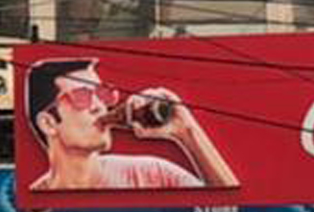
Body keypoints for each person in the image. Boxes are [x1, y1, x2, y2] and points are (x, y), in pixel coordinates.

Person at [25, 58, 239, 192]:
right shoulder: (34, 197)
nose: (100, 107)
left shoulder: (152, 174)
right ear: (48, 123)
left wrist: (186, 131)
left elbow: (232, 209)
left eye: (103, 94)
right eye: (82, 96)